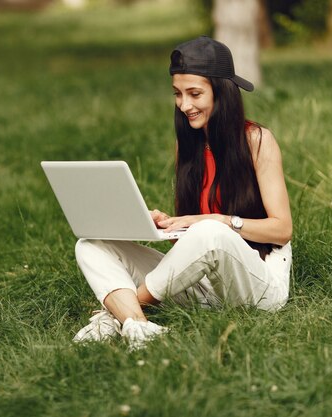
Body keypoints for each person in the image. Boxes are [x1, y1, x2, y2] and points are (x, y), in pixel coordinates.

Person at [73, 36, 293, 350]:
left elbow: (282, 230)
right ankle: (139, 327)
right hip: (203, 287)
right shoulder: (188, 146)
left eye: (194, 94)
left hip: (260, 287)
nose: (184, 105)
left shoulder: (257, 140)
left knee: (211, 231)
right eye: (178, 94)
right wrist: (162, 225)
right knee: (91, 244)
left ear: (222, 92)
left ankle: (118, 314)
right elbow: (192, 245)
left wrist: (218, 221)